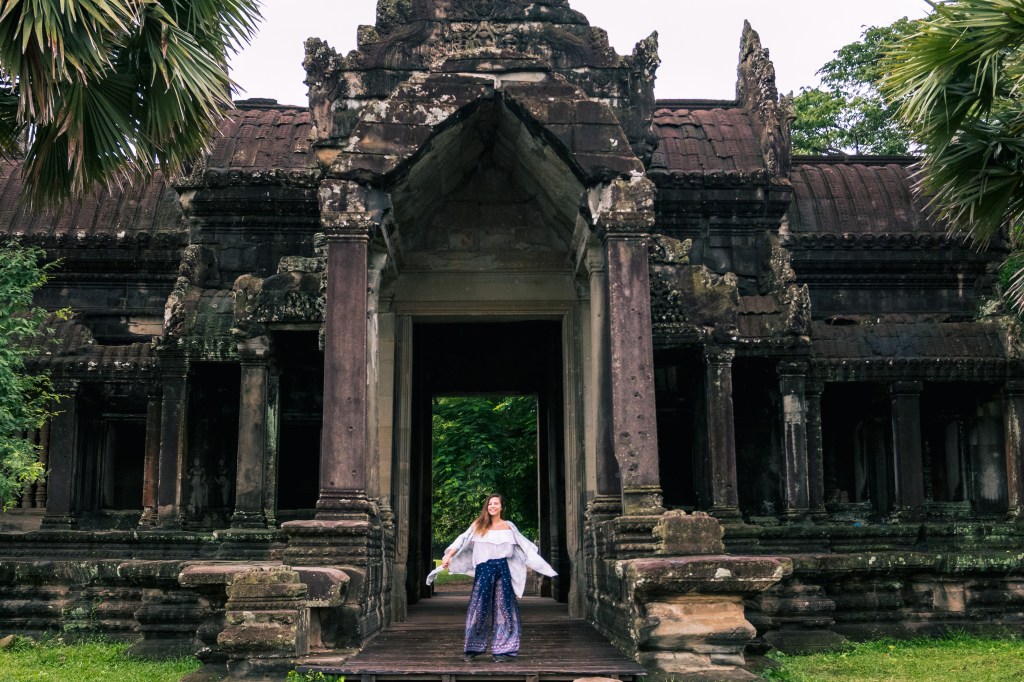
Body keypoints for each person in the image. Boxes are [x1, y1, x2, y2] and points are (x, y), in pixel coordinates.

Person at [426, 493, 557, 663]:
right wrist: (449, 555)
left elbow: (525, 546)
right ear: (487, 507)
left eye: (496, 504)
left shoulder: (508, 526)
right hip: (484, 569)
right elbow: (462, 539)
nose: (492, 506)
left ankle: (503, 650)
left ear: (501, 507)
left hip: (502, 568)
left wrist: (543, 567)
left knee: (504, 607)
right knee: (479, 606)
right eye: (490, 504)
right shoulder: (478, 525)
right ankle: (472, 648)